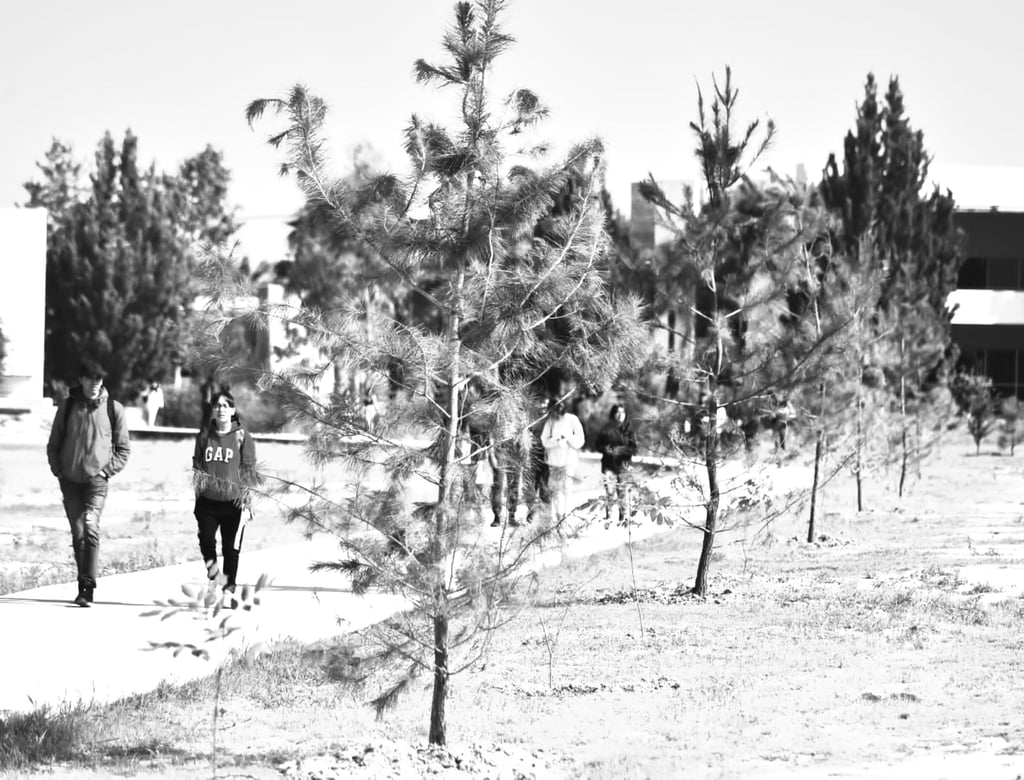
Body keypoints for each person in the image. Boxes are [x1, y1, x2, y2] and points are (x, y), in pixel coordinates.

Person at [46, 358, 131, 607]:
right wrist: (58, 470)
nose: (95, 383)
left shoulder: (113, 409)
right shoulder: (67, 406)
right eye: (90, 378)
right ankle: (82, 583)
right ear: (81, 380)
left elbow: (123, 449)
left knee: (91, 527)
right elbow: (54, 443)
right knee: (78, 532)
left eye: (99, 379)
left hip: (97, 483)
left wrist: (106, 472)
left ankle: (87, 587)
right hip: (70, 481)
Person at [192, 391, 258, 606]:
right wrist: (197, 496)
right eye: (218, 405)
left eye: (225, 405)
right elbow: (197, 467)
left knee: (231, 549)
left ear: (232, 410)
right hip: (207, 502)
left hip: (234, 503)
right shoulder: (204, 436)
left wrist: (248, 500)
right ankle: (214, 578)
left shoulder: (242, 437)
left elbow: (249, 470)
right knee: (206, 542)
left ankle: (228, 590)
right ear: (213, 409)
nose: (221, 409)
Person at [540, 399, 585, 524]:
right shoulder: (550, 421)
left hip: (568, 461)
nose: (558, 411)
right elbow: (544, 441)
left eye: (560, 407)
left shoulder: (572, 419)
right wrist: (555, 440)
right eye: (555, 408)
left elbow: (580, 440)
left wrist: (569, 438)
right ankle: (558, 515)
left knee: (567, 489)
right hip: (554, 462)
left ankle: (565, 516)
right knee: (555, 491)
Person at [596, 404, 638, 526]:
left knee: (622, 491)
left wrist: (621, 450)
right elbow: (597, 445)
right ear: (613, 414)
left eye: (622, 412)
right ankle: (608, 516)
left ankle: (622, 517)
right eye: (617, 412)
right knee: (610, 491)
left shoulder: (629, 430)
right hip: (608, 464)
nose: (620, 415)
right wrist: (606, 449)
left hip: (623, 465)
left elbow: (634, 449)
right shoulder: (606, 429)